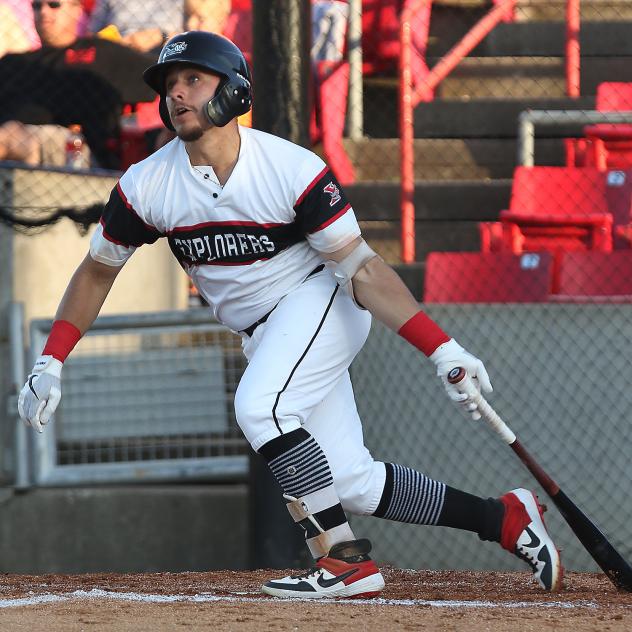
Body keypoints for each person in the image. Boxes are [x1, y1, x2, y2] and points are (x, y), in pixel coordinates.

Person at [17, 31, 564, 598]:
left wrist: (442, 348)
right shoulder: (146, 185)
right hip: (265, 334)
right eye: (169, 85)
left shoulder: (289, 168)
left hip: (320, 300)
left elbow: (363, 269)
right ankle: (503, 518)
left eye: (193, 81)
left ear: (232, 94)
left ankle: (345, 563)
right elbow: (97, 271)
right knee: (351, 482)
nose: (177, 94)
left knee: (261, 408)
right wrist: (51, 360)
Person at [0, 0, 157, 169]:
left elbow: (165, 73)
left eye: (54, 5)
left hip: (77, 146)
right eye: (37, 6)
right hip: (14, 140)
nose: (44, 12)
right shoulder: (13, 63)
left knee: (10, 135)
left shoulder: (100, 51)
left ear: (76, 9)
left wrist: (164, 35)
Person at [88, 0, 183, 53]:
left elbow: (190, 36)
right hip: (119, 52)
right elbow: (91, 35)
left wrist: (161, 36)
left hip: (164, 50)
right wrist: (115, 43)